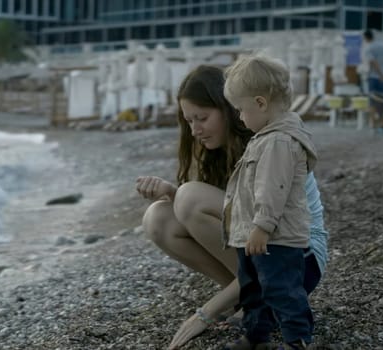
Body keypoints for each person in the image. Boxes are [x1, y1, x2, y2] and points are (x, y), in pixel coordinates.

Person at [136, 65, 328, 349]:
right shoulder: (226, 150)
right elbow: (234, 215)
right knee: (159, 217)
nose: (195, 130)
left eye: (202, 118)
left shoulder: (270, 143)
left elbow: (269, 230)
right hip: (267, 252)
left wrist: (206, 312)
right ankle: (248, 299)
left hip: (299, 259)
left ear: (230, 108)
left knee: (188, 198)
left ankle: (258, 300)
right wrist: (170, 192)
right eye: (189, 121)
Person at [222, 55, 317, 349]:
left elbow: (273, 188)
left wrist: (261, 226)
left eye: (241, 110)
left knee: (281, 289)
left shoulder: (278, 141)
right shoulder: (265, 137)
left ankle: (297, 339)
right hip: (257, 235)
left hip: (276, 237)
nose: (239, 117)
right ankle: (256, 336)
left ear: (261, 103)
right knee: (253, 289)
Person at [363, 29, 383, 134]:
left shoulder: (369, 48)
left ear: (366, 38)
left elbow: (373, 62)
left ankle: (373, 125)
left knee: (372, 102)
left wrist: (380, 74)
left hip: (374, 77)